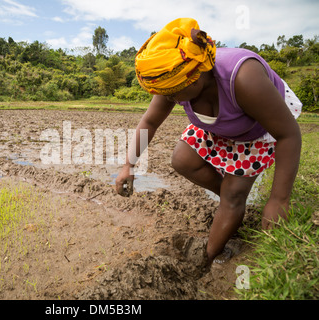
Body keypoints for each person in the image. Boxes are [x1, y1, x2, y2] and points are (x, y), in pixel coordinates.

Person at [115, 18, 302, 266]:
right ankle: (232, 199)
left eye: (174, 92)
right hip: (220, 124)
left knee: (233, 196)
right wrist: (128, 165)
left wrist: (279, 199)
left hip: (255, 130)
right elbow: (150, 122)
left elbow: (289, 134)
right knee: (183, 159)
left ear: (197, 75)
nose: (169, 97)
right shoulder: (175, 79)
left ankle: (208, 258)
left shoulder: (243, 79)